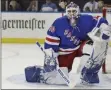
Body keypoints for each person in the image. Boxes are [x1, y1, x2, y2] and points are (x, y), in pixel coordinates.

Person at [24, 2, 111, 85]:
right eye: (69, 11)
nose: (72, 14)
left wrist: (105, 28)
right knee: (59, 79)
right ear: (66, 12)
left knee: (100, 42)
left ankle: (89, 74)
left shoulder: (86, 20)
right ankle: (39, 74)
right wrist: (50, 58)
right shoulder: (59, 23)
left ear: (78, 12)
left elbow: (100, 20)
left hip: (80, 47)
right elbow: (50, 42)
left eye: (74, 11)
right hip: (64, 53)